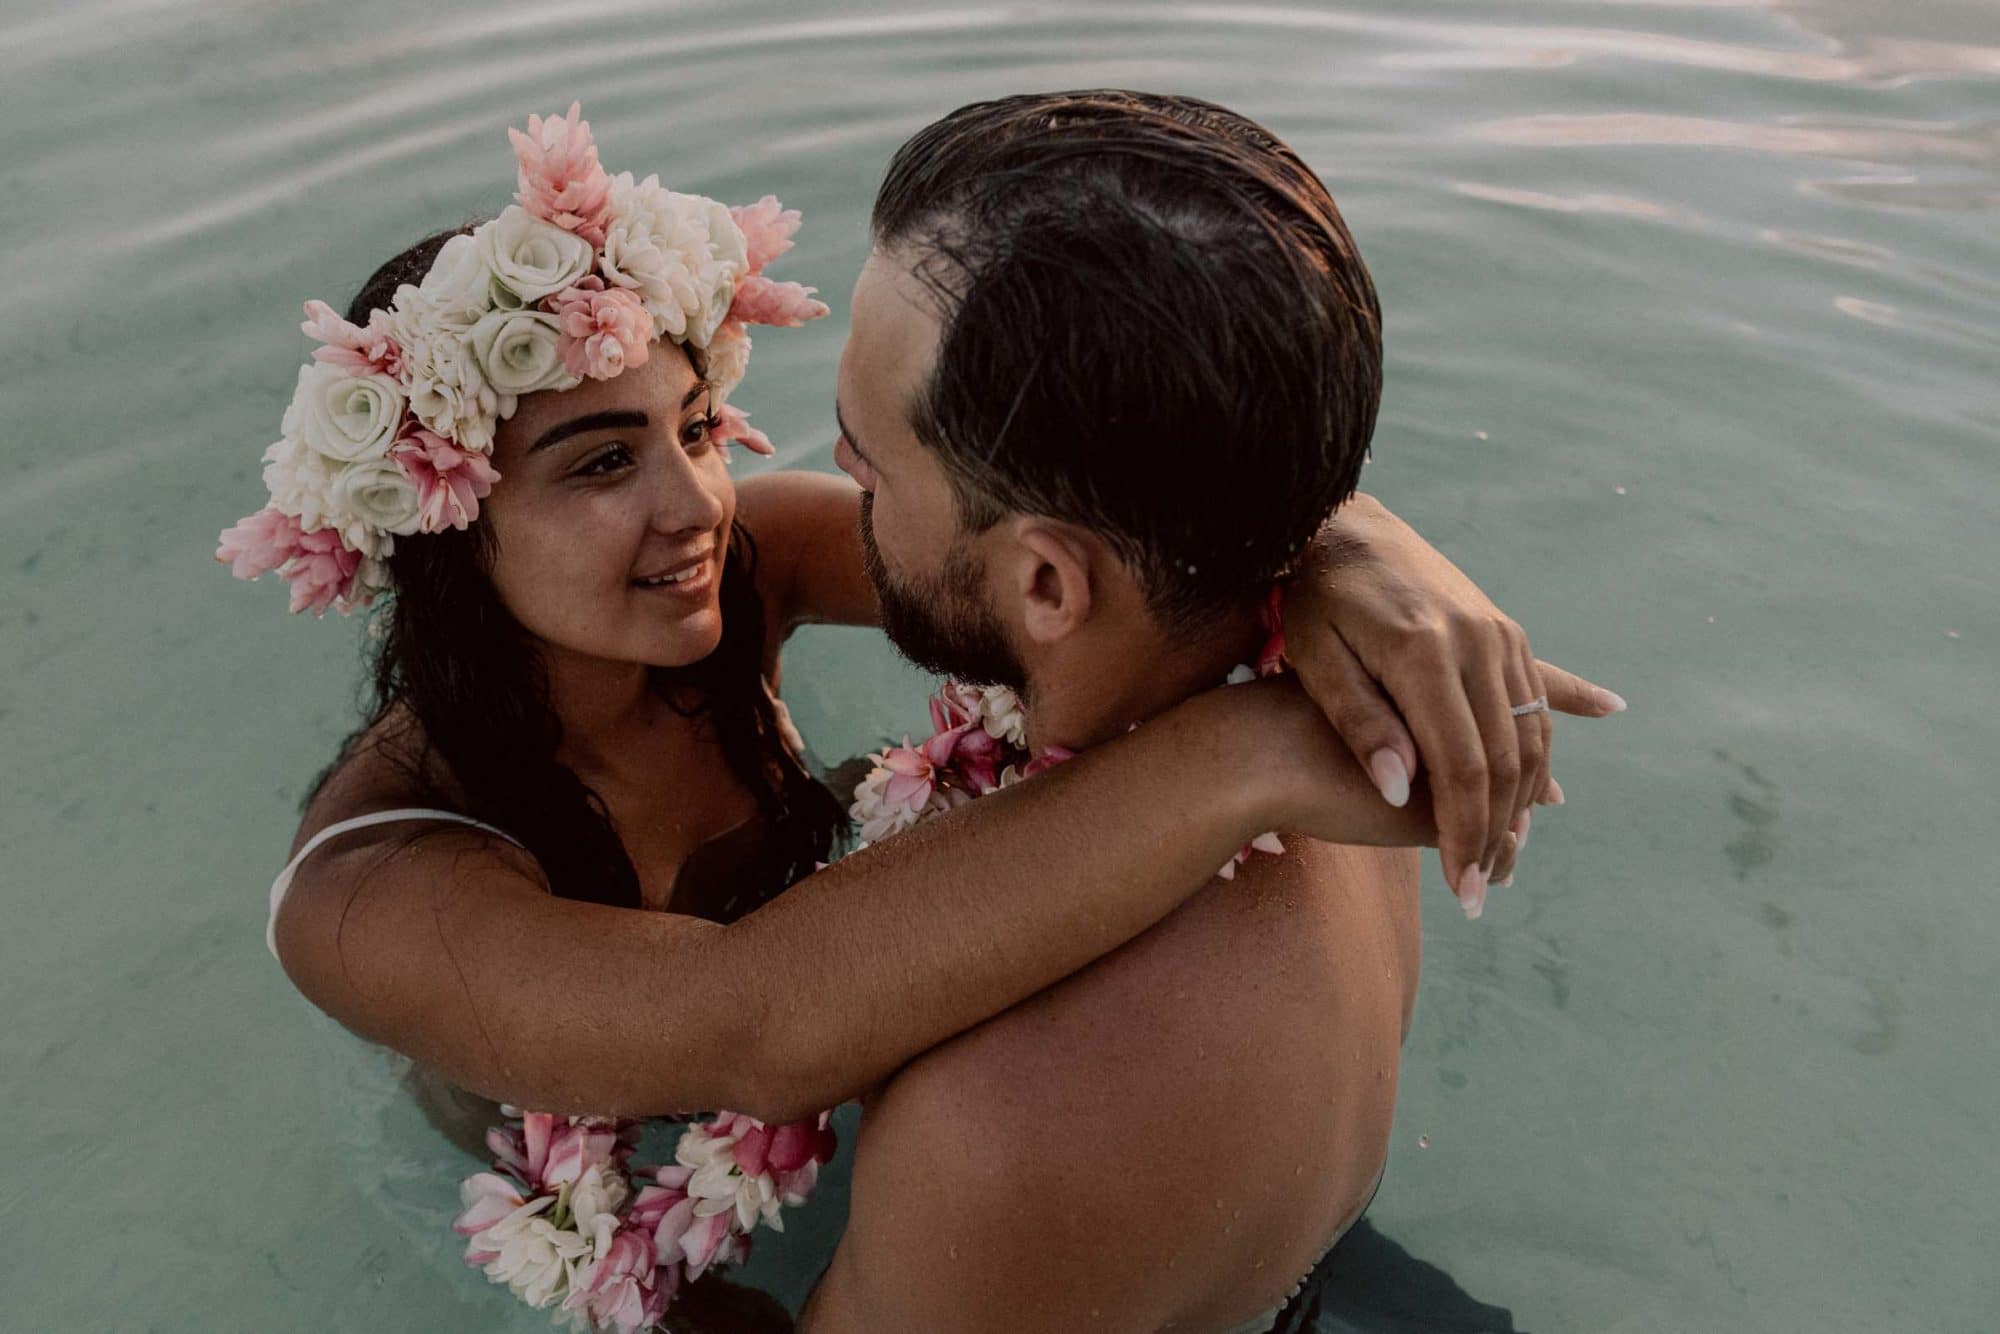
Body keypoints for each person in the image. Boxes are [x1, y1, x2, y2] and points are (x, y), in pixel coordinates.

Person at [218, 102, 1611, 1322]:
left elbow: (1103, 523)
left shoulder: (730, 585)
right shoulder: (370, 890)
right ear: (446, 528)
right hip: (615, 1208)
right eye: (599, 463)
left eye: (698, 427)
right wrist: (1243, 745)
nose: (697, 503)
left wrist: (1329, 543)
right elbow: (750, 1023)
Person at [797, 90, 1553, 1333]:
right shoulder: (1331, 702)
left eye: (866, 461)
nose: (839, 478)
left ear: (1045, 581)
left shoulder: (1008, 1126)